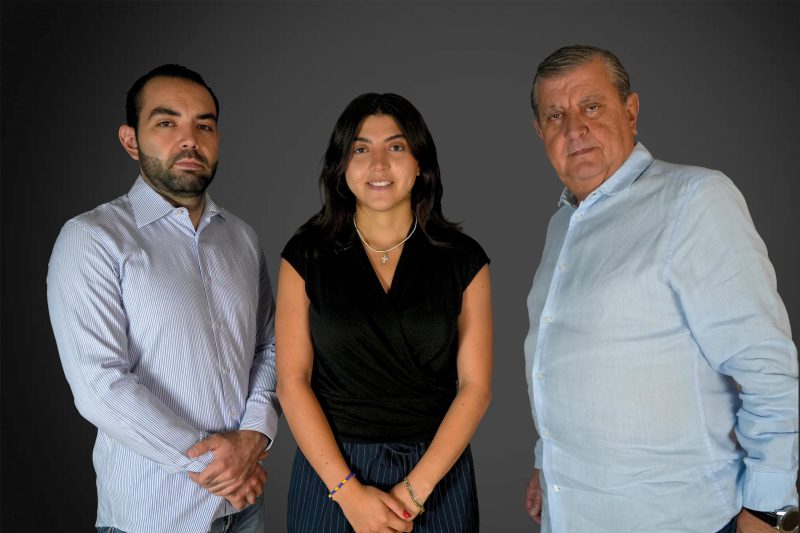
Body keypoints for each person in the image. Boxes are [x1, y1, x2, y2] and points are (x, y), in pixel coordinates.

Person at [523, 45, 798, 533]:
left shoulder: (694, 200)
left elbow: (767, 369)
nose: (574, 129)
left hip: (679, 519)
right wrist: (549, 463)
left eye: (592, 106)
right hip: (572, 515)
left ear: (630, 111)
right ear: (540, 132)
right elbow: (568, 368)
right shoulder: (562, 225)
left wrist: (770, 509)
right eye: (555, 116)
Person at [47, 64, 279, 533]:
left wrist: (255, 435)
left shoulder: (242, 238)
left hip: (244, 510)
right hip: (152, 516)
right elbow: (99, 384)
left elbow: (269, 346)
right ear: (131, 140)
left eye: (204, 126)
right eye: (167, 122)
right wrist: (220, 464)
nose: (189, 140)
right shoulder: (93, 238)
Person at [276, 93, 493, 532]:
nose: (378, 164)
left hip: (436, 475)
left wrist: (412, 493)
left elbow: (476, 387)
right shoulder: (305, 255)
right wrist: (349, 494)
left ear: (420, 163)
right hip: (331, 475)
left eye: (396, 147)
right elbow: (291, 383)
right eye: (360, 149)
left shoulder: (464, 259)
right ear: (342, 166)